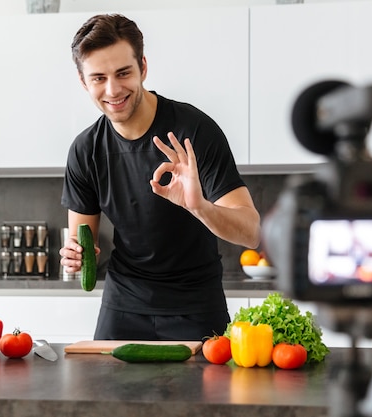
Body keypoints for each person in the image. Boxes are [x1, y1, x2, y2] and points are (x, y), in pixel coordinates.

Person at [60, 13, 261, 341]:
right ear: (84, 82)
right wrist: (75, 257)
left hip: (197, 305)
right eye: (98, 78)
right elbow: (82, 243)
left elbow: (251, 233)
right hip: (123, 304)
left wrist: (200, 207)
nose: (112, 89)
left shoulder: (194, 131)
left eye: (123, 73)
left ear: (143, 67)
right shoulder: (85, 150)